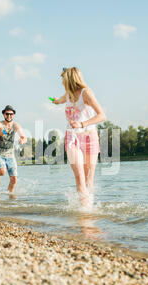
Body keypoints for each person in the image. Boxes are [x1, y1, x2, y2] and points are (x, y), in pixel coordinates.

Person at [52, 67, 106, 207]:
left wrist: (82, 124)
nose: (62, 81)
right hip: (72, 138)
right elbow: (60, 100)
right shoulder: (68, 95)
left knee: (89, 178)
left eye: (63, 78)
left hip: (89, 137)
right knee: (79, 177)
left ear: (70, 78)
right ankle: (83, 212)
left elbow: (102, 116)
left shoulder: (86, 93)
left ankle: (89, 210)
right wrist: (55, 101)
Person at [0, 105, 27, 193]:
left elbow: (23, 136)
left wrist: (22, 140)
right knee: (2, 172)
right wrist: (1, 133)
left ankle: (9, 196)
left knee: (14, 179)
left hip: (10, 156)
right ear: (3, 114)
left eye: (11, 114)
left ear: (14, 115)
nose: (9, 116)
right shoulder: (0, 124)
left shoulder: (15, 125)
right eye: (7, 114)